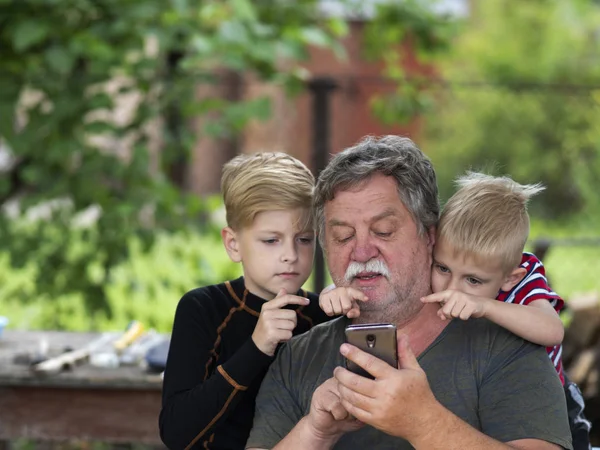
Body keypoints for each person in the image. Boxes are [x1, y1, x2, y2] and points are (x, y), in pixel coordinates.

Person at [246, 135, 572, 450]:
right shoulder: (298, 356)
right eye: (343, 237)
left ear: (429, 236)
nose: (361, 253)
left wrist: (423, 422)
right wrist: (315, 431)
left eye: (383, 231)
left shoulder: (505, 344)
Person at [159, 152, 332, 450]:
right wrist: (256, 347)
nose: (290, 254)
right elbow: (176, 433)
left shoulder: (322, 314)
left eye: (304, 239)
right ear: (233, 244)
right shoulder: (203, 309)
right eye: (271, 240)